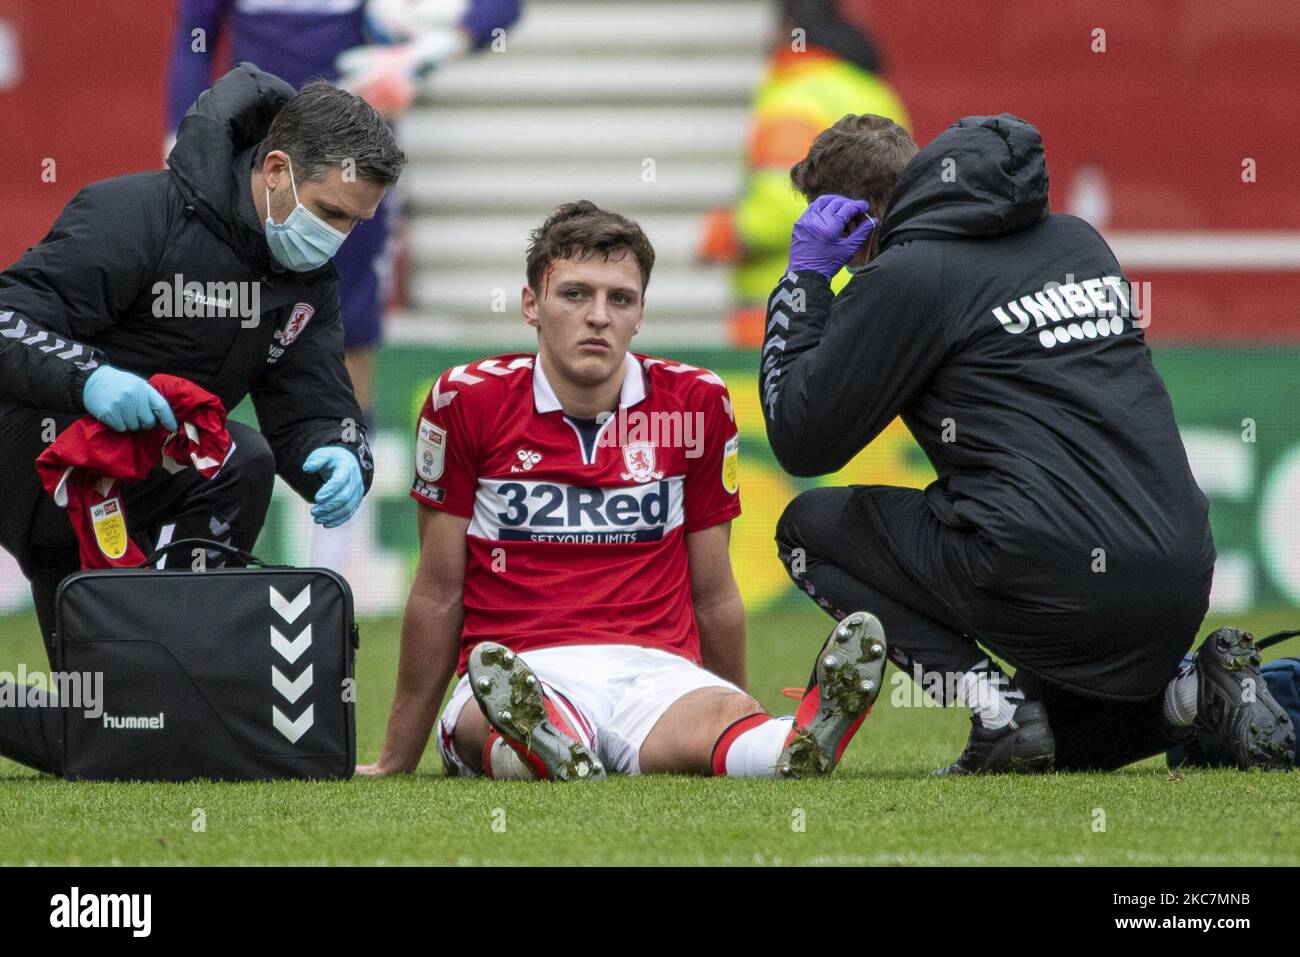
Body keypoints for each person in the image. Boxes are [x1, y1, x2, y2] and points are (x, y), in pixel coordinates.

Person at [761, 112, 1296, 773]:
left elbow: (800, 438)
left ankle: (994, 708)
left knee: (807, 527)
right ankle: (1198, 694)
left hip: (1043, 570)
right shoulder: (1079, 241)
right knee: (1062, 744)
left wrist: (807, 280)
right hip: (1179, 574)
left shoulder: (906, 275)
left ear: (852, 219)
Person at [359, 201, 888, 781]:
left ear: (640, 315)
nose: (598, 316)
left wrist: (729, 699)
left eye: (620, 299)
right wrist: (395, 760)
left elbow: (713, 593)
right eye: (575, 295)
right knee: (496, 720)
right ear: (531, 304)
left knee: (726, 723)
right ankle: (546, 740)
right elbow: (437, 594)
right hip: (518, 668)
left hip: (656, 674)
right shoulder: (465, 401)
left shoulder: (696, 403)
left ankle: (783, 745)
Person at [0, 64, 404, 774]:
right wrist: (88, 379)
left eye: (356, 223)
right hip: (21, 458)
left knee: (130, 735)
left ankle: (173, 670)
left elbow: (311, 404)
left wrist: (340, 453)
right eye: (333, 212)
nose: (340, 236)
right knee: (238, 457)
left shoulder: (305, 281)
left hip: (103, 502)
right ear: (276, 170)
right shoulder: (132, 214)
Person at [166, 0, 523, 576]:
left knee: (347, 337)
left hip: (354, 167)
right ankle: (167, 538)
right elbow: (194, 33)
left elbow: (499, 9)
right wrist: (179, 136)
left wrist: (421, 54)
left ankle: (341, 554)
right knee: (199, 324)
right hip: (256, 161)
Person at [697, 0, 908, 347]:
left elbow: (784, 204)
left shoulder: (795, 95)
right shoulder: (872, 90)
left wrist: (728, 233)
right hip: (869, 297)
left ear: (789, 28)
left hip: (792, 313)